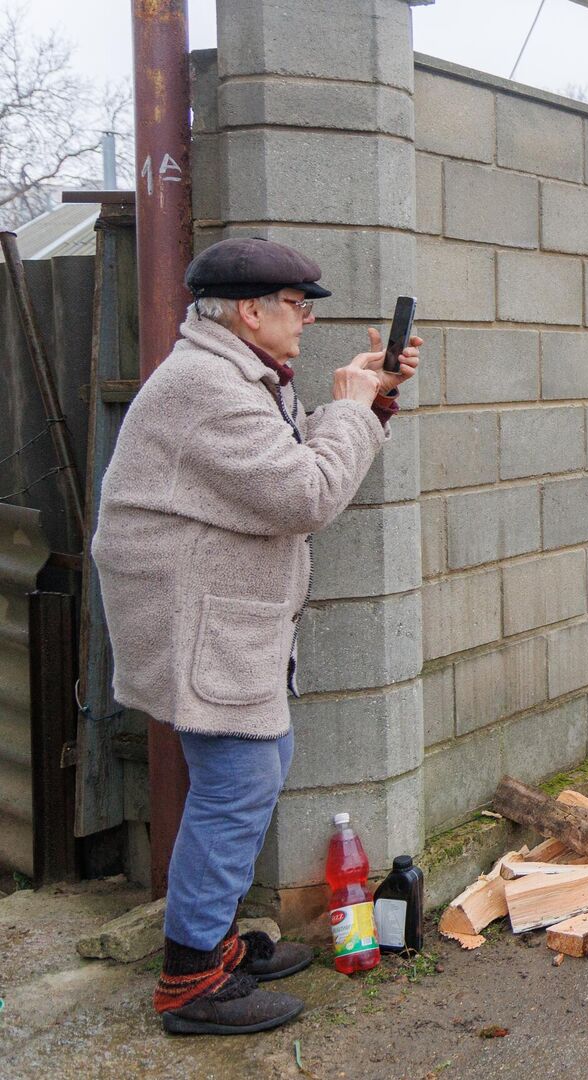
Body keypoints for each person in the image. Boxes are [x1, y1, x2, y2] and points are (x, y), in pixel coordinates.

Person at [91, 237, 420, 1036]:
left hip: (220, 614)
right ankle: (190, 981)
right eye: (298, 306)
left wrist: (366, 402)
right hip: (196, 621)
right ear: (249, 310)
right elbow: (305, 492)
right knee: (236, 784)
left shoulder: (239, 375)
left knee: (257, 768)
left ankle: (212, 941)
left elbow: (289, 455)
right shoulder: (207, 387)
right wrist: (351, 409)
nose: (306, 320)